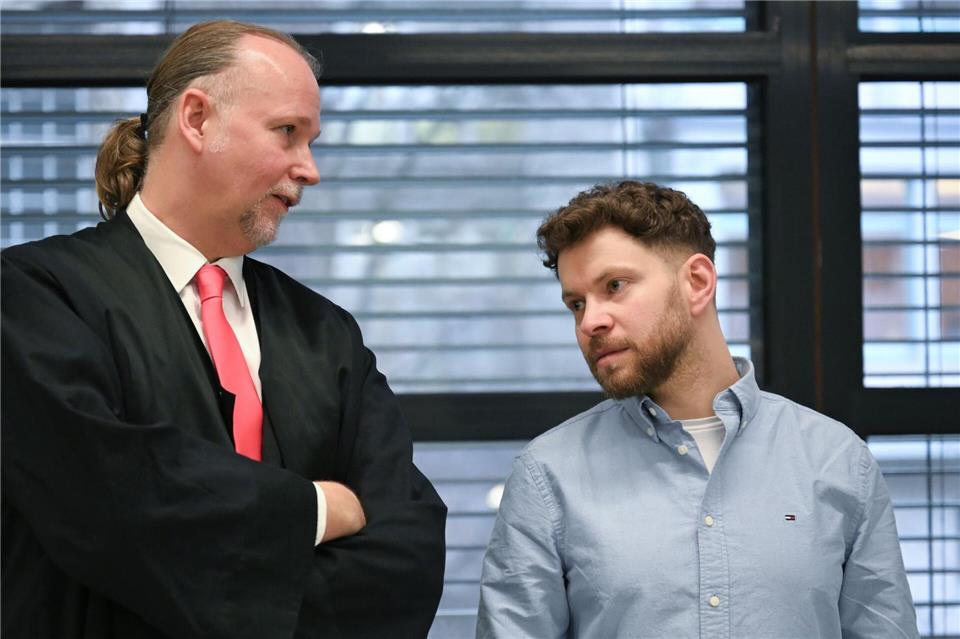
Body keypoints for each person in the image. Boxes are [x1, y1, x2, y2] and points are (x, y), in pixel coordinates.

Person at [2, 20, 446, 639]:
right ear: (197, 119)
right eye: (287, 132)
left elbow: (407, 548)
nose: (310, 170)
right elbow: (104, 496)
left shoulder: (325, 333)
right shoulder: (34, 295)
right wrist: (316, 508)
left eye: (311, 141)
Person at [476, 181, 918, 638]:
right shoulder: (548, 475)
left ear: (698, 283)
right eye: (576, 304)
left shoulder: (837, 460)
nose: (590, 322)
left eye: (615, 286)